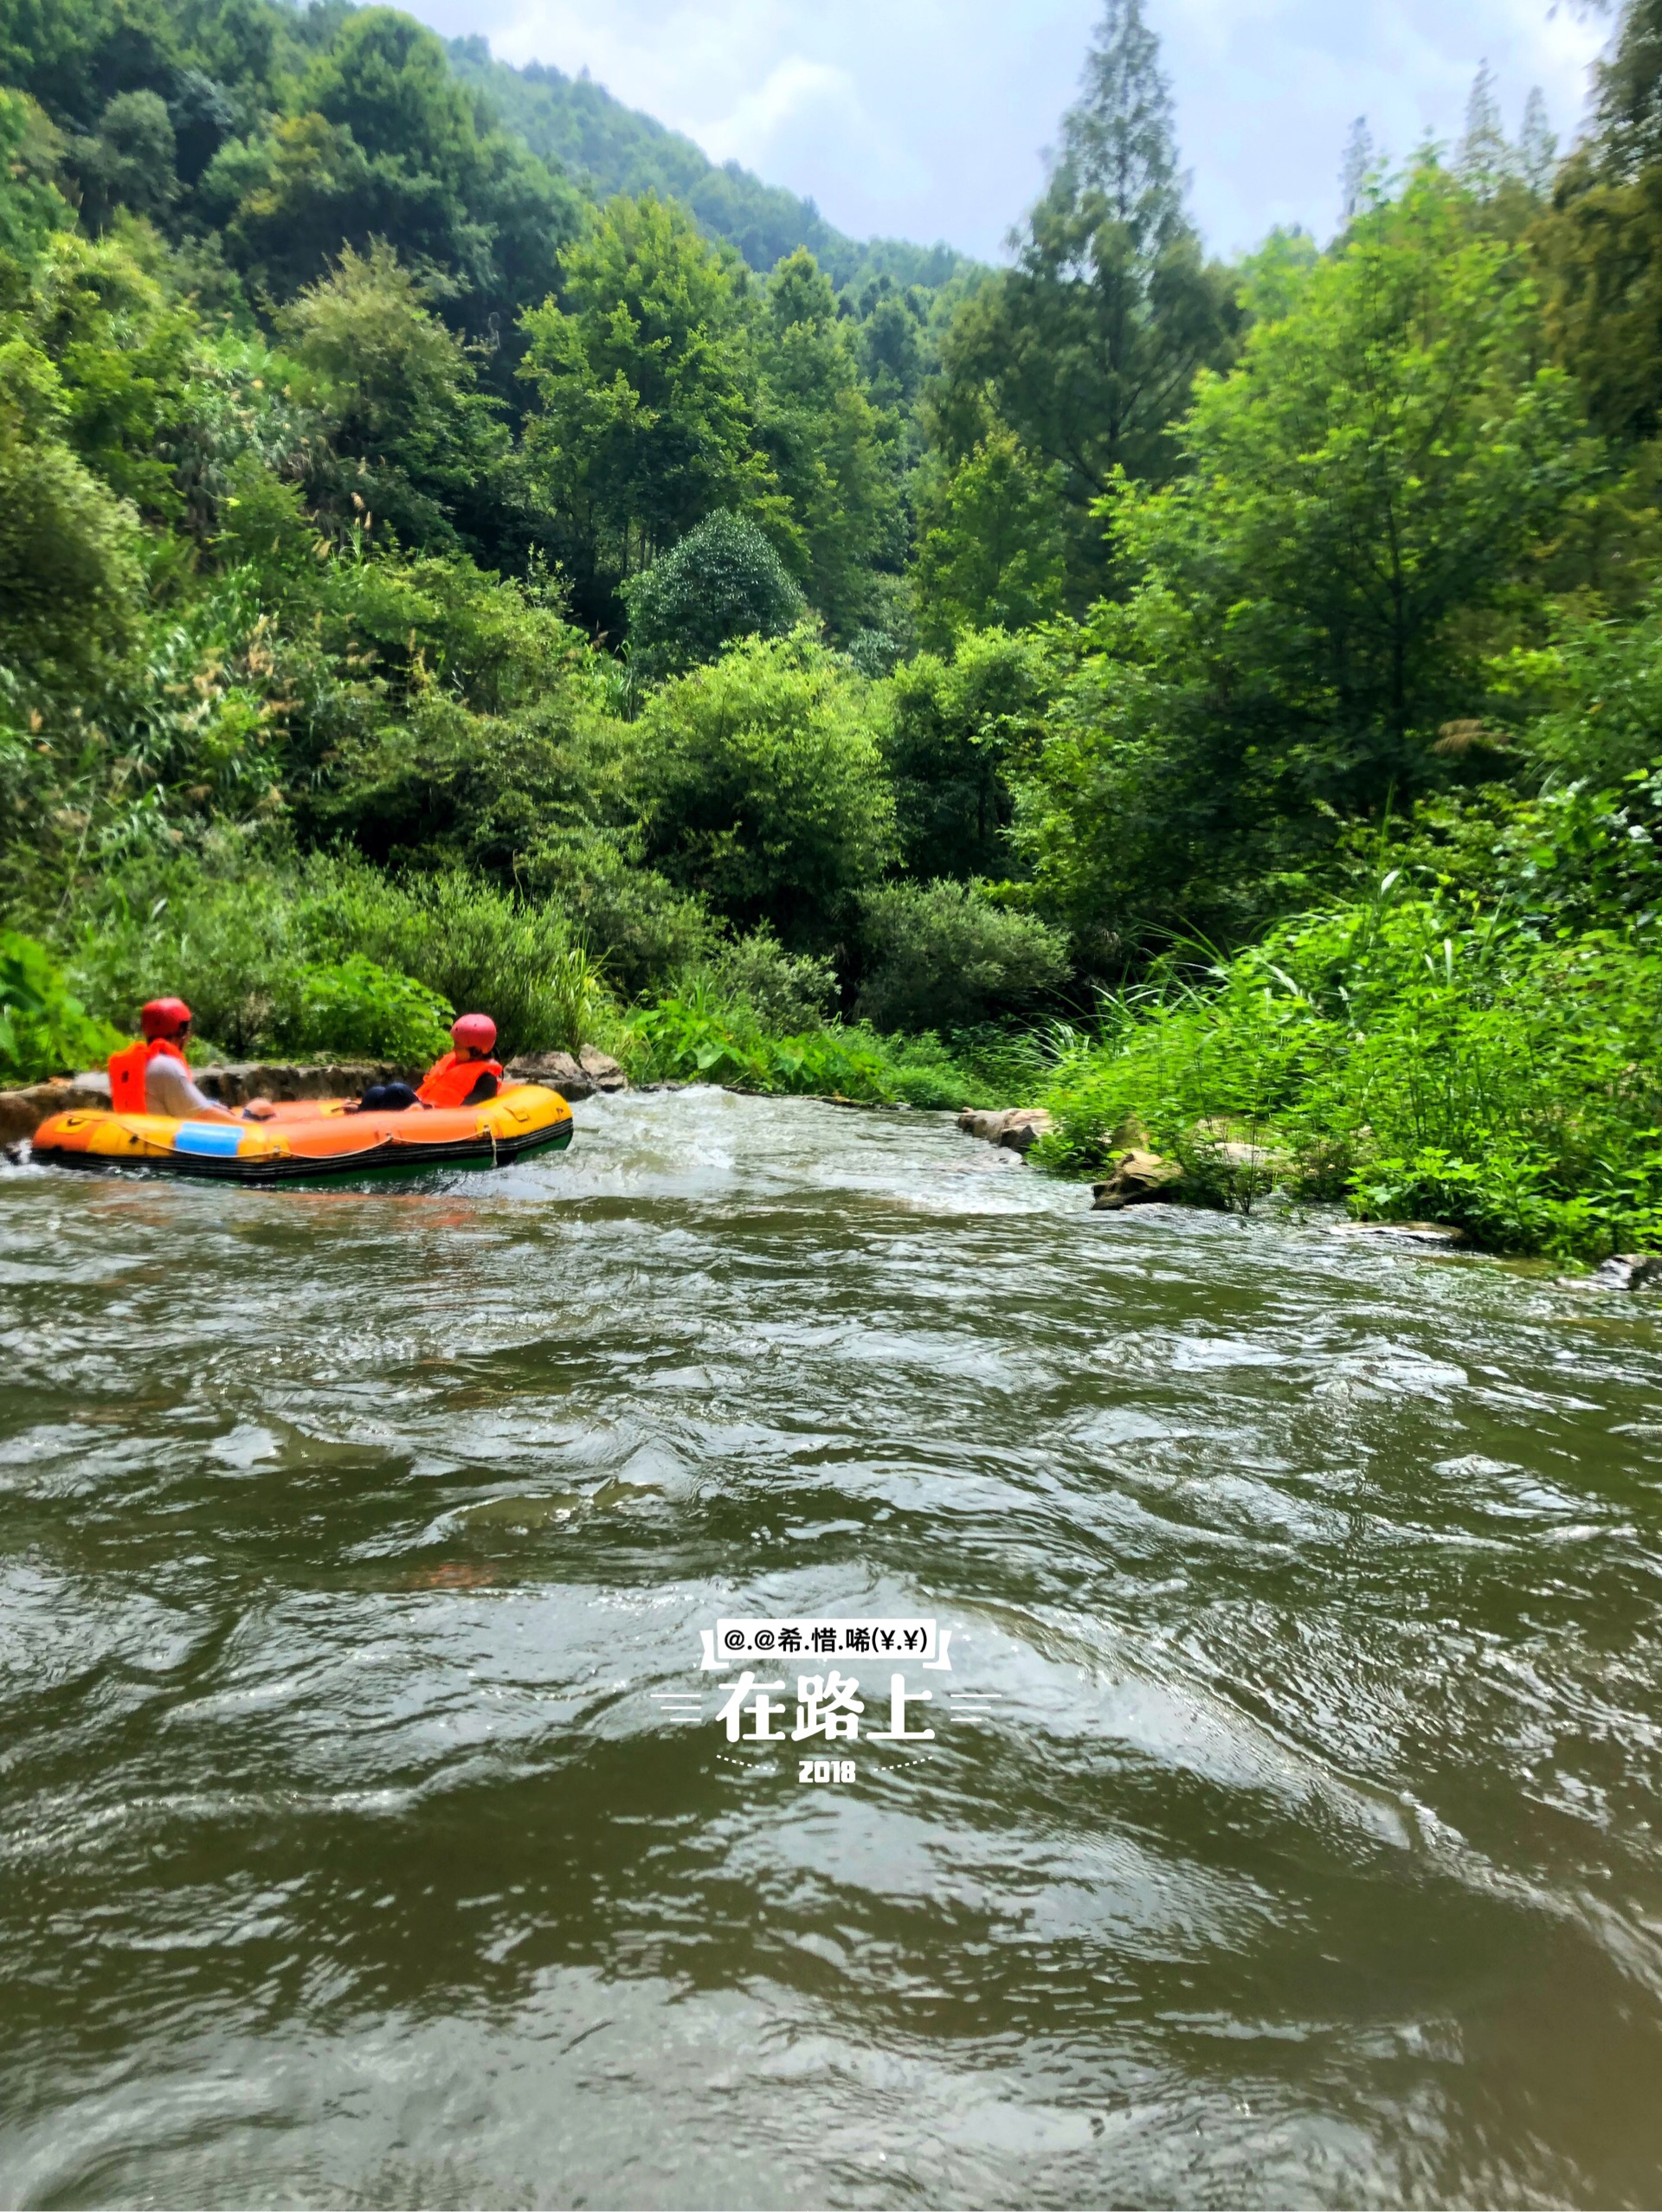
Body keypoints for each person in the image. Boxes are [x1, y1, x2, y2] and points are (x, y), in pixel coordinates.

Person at [107, 1000, 275, 1122]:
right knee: (261, 1106)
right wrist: (249, 1127)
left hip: (141, 1137)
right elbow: (205, 1116)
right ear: (182, 1033)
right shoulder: (166, 1067)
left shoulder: (139, 1065)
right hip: (172, 1144)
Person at [416, 1013, 504, 1108]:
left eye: (459, 1047)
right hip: (420, 1110)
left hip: (439, 1118)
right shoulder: (450, 1064)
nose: (454, 1050)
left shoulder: (487, 1081)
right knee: (399, 1089)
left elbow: (464, 1112)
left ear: (478, 1050)